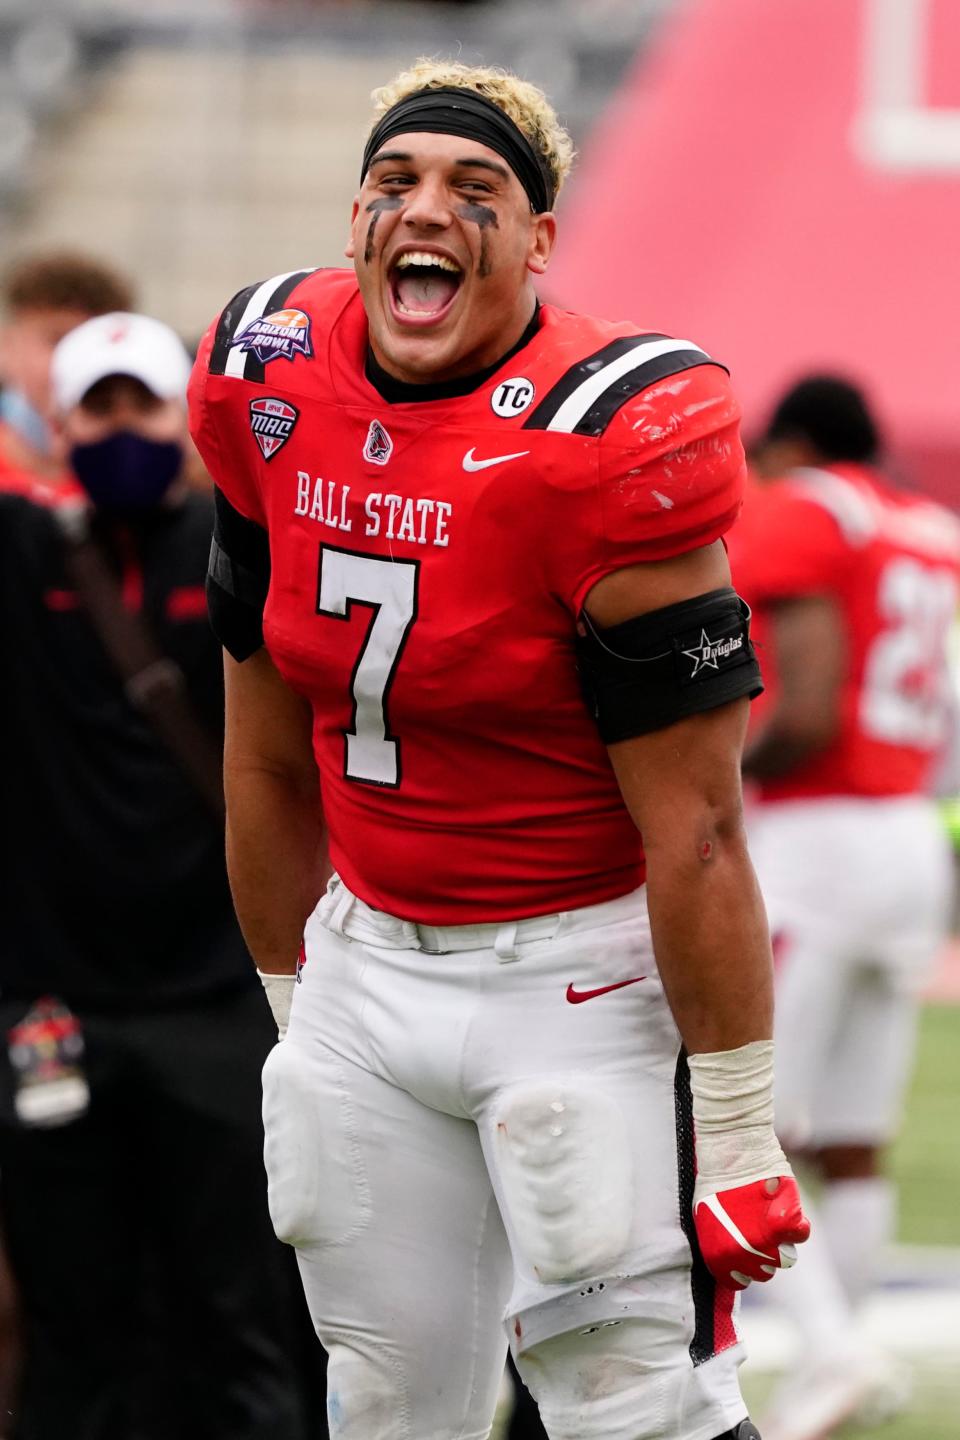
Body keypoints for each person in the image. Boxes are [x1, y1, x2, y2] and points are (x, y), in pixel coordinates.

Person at [189, 58, 810, 1440]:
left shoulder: (611, 437)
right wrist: (307, 1008)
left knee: (630, 1405)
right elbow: (264, 757)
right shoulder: (266, 378)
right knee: (387, 1405)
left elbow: (697, 829)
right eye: (398, 181)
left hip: (575, 980)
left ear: (538, 240)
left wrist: (741, 1123)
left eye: (480, 190)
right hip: (367, 954)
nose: (432, 209)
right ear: (355, 217)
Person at [0, 312, 326, 1439]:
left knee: (239, 1312)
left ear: (182, 418)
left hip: (220, 1005)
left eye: (145, 403)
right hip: (55, 1004)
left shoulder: (248, 553)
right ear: (56, 421)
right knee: (75, 1322)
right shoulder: (22, 552)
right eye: (100, 406)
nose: (124, 427)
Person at [729, 376, 960, 1440]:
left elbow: (808, 710)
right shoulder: (928, 525)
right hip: (912, 832)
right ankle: (846, 1354)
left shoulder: (810, 506)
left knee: (737, 1122)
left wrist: (717, 773)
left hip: (818, 839)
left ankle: (831, 1349)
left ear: (793, 445)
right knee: (856, 1133)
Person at [0, 250, 134, 495]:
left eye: (92, 341)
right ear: (7, 347)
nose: (75, 358)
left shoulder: (154, 480)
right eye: (58, 340)